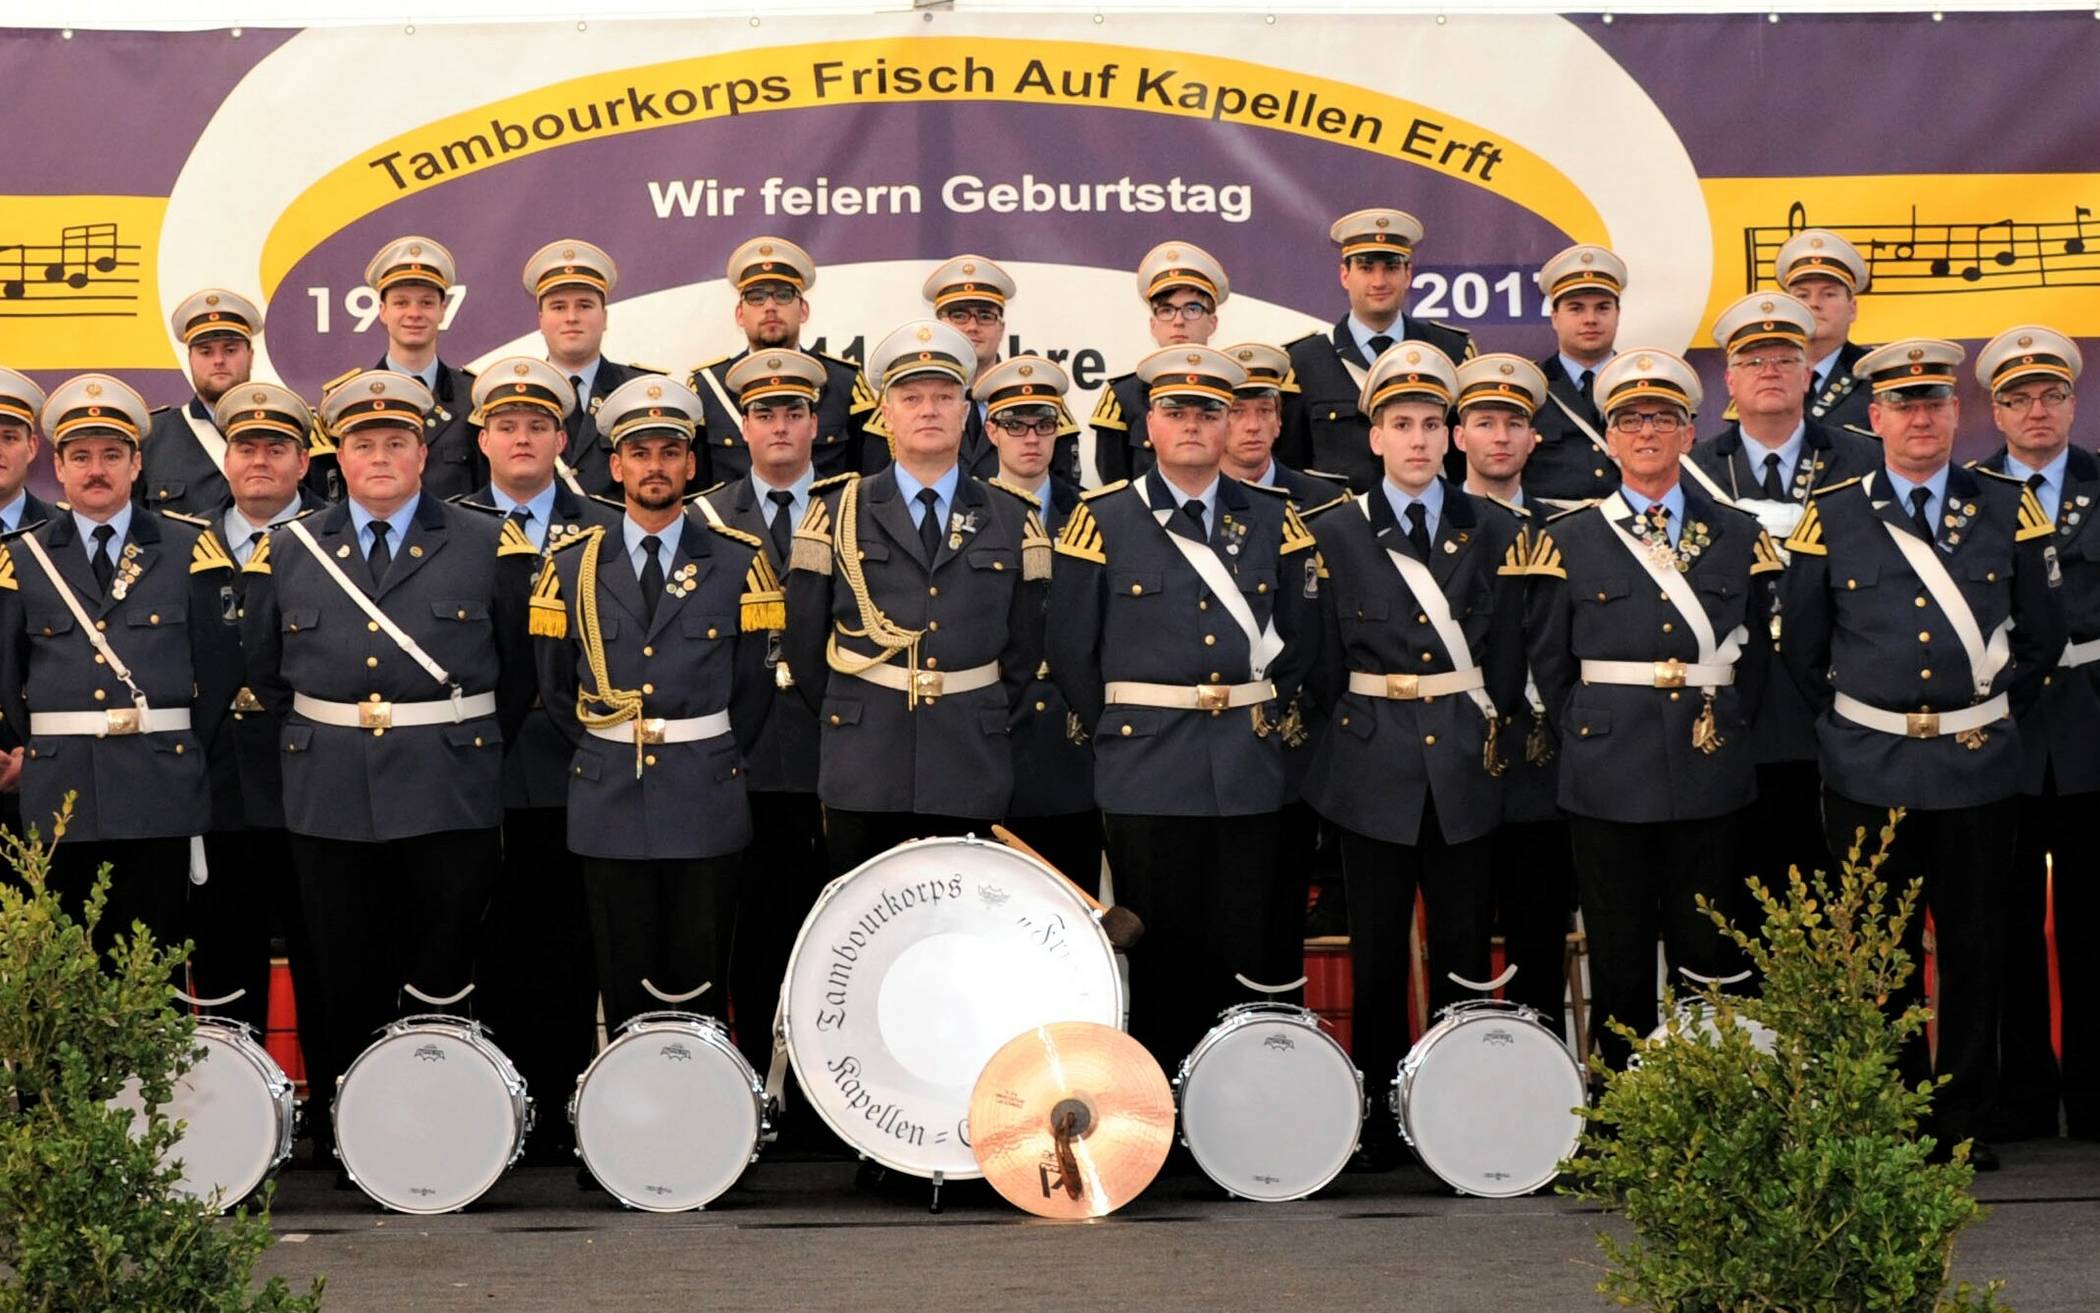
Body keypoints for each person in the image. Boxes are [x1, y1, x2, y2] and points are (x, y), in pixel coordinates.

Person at [1780, 338, 2066, 1170]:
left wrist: (1984, 715)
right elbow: (1802, 650)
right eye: (1902, 405)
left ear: (1955, 414)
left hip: (1976, 764)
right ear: (1874, 417)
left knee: (1977, 944)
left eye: (1934, 404)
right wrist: (1855, 729)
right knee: (1880, 952)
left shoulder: (2009, 506)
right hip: (1870, 768)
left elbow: (2041, 640)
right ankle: (1893, 1112)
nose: (1919, 418)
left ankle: (1963, 1115)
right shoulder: (1829, 512)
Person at [239, 369, 538, 1119]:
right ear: (335, 454)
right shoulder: (288, 547)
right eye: (362, 441)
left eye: (395, 441)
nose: (379, 455)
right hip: (330, 791)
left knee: (441, 969)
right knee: (344, 970)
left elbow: (518, 670)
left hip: (448, 787)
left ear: (423, 452)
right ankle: (351, 1128)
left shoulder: (485, 541)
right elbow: (265, 667)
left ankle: (439, 1122)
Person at [1048, 344, 1320, 1064]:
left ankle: (1236, 1114)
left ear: (1231, 424)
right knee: (1160, 947)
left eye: (1209, 411)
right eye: (1175, 411)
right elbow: (1072, 649)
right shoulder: (1100, 519)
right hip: (1145, 765)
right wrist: (1116, 734)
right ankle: (1161, 1113)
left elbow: (1302, 638)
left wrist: (1258, 711)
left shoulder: (1272, 518)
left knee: (1244, 944)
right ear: (1147, 427)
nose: (1193, 424)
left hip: (1246, 761)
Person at [1523, 350, 1783, 1071]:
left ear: (1689, 434)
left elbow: (1755, 660)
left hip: (1709, 762)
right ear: (1608, 437)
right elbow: (1550, 658)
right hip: (1608, 768)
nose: (1647, 432)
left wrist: (1721, 724)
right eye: (1631, 419)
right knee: (1619, 945)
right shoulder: (1568, 537)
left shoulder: (1736, 533)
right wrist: (1597, 726)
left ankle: (1707, 1094)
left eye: (1663, 418)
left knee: (1708, 943)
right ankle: (1621, 1110)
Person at [1299, 343, 1525, 1165]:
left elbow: (1507, 655)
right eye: (1403, 424)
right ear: (1375, 439)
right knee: (1377, 950)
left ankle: (1464, 1114)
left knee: (1468, 950)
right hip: (1372, 762)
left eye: (1434, 423)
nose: (1420, 439)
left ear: (1455, 435)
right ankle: (1381, 1121)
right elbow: (1320, 664)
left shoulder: (1495, 527)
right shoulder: (1332, 532)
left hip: (1466, 759)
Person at [531, 372, 774, 1033]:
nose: (655, 466)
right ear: (615, 465)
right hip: (608, 795)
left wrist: (707, 746)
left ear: (691, 463)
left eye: (670, 451)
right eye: (639, 452)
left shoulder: (737, 561)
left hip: (704, 792)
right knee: (622, 970)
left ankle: (701, 1118)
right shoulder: (573, 563)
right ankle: (628, 1123)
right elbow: (556, 687)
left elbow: (753, 689)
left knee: (699, 977)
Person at [783, 319, 1048, 875]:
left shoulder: (1012, 516)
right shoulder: (835, 511)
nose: (929, 409)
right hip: (865, 760)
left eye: (945, 396)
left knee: (962, 930)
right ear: (886, 415)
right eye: (911, 397)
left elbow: (1024, 649)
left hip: (970, 760)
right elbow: (806, 645)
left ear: (967, 414)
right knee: (862, 932)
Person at [0, 374, 241, 956]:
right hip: (59, 794)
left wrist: (175, 745)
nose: (96, 469)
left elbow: (218, 667)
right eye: (80, 456)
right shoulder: (21, 556)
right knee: (66, 966)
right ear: (57, 467)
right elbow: (6, 674)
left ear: (137, 464)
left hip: (159, 788)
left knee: (149, 959)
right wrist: (30, 750)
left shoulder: (190, 547)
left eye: (112, 454)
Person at [454, 357, 619, 1165]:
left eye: (538, 426)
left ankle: (561, 1106)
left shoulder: (607, 522)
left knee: (568, 941)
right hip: (469, 772)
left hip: (573, 766)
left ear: (564, 435)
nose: (522, 439)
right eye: (506, 426)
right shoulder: (444, 525)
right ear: (481, 438)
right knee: (487, 945)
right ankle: (489, 1111)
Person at [1687, 292, 1883, 892]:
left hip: (1834, 706)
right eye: (1752, 359)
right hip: (1729, 712)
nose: (1769, 371)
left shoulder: (1864, 461)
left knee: (1837, 895)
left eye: (1784, 358)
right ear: (1729, 379)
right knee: (1735, 898)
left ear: (1809, 374)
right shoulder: (1692, 470)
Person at [1969, 325, 2095, 1142]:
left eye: (2050, 394)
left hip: (2091, 728)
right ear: (1995, 411)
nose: (2036, 410)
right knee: (1999, 924)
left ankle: (2092, 1097)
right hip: (1999, 733)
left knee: (2093, 925)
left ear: (2074, 402)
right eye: (2018, 398)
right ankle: (2016, 1094)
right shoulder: (1968, 493)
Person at [692, 350, 830, 1083]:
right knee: (737, 935)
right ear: (741, 427)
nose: (780, 426)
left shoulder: (848, 508)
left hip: (827, 756)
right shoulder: (705, 517)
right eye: (765, 413)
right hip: (732, 757)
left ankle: (819, 1091)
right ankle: (741, 1084)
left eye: (794, 412)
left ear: (817, 424)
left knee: (825, 935)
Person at [190, 382, 328, 1047]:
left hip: (317, 790)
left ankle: (338, 1125)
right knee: (221, 971)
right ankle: (236, 1134)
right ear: (226, 458)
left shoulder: (338, 542)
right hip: (216, 792)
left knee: (330, 966)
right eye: (247, 446)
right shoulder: (180, 549)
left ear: (305, 462)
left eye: (278, 448)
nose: (260, 461)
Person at [1450, 352, 1574, 1038]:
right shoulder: (1432, 526)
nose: (1500, 436)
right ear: (1458, 434)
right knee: (1460, 945)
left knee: (1539, 938)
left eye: (1515, 423)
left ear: (1535, 438)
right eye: (1484, 420)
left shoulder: (1568, 527)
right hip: (1454, 759)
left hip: (1545, 761)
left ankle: (1548, 1089)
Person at [1222, 341, 1344, 937]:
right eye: (1237, 410)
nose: (1252, 425)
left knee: (1286, 907)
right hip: (1217, 732)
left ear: (1280, 417)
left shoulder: (1326, 501)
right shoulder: (1177, 506)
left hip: (1307, 731)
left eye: (1264, 410)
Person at [970, 355, 1101, 894]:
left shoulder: (1094, 514)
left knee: (1075, 906)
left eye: (1044, 425)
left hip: (1074, 742)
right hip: (994, 736)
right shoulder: (967, 514)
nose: (1032, 438)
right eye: (1016, 424)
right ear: (991, 430)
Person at [1281, 208, 1474, 493]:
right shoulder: (1303, 361)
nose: (1379, 282)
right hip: (1340, 529)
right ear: (1345, 275)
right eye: (1366, 267)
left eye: (1392, 267)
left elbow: (1466, 459)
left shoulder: (1451, 351)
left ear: (1408, 274)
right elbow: (1290, 466)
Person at [688, 237, 880, 486]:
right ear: (739, 314)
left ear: (803, 311)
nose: (770, 307)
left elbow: (870, 485)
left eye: (783, 295)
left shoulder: (844, 383)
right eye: (756, 297)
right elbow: (695, 491)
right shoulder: (707, 388)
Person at [314, 237, 483, 501]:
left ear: (443, 310)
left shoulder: (474, 396)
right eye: (401, 303)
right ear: (382, 311)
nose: (414, 313)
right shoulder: (350, 398)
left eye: (426, 303)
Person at [1091, 241, 1231, 487]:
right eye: (1166, 310)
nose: (1178, 321)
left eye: (1192, 308)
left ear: (1213, 322)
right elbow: (1116, 491)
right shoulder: (1123, 396)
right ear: (1153, 325)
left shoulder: (1235, 390)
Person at [523, 239, 654, 497]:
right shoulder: (518, 397)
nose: (572, 317)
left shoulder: (638, 391)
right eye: (558, 307)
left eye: (584, 305)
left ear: (604, 317)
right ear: (540, 320)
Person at [139, 289, 268, 515]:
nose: (218, 361)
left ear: (250, 355)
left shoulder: (288, 431)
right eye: (206, 352)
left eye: (230, 350)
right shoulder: (153, 437)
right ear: (190, 359)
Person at [1521, 245, 1624, 504]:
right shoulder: (1530, 387)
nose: (1590, 319)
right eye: (1576, 308)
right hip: (1551, 531)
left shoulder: (1640, 386)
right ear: (1555, 317)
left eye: (1602, 308)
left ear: (1618, 315)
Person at [0, 370, 55, 837]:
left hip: (42, 763)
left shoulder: (67, 538)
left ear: (32, 448)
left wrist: (31, 752)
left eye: (9, 436)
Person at [918, 254, 1031, 481]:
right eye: (959, 315)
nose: (972, 326)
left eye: (985, 316)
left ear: (1002, 328)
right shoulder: (910, 403)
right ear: (940, 325)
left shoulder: (1033, 394)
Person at [1776, 229, 1876, 436]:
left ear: (1853, 309)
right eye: (1803, 295)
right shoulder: (1766, 374)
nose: (1814, 304)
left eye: (1829, 294)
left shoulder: (1875, 377)